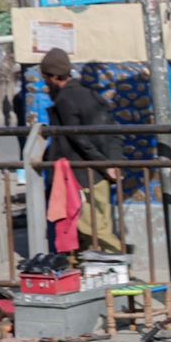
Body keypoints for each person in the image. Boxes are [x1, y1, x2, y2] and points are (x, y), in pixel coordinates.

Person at [40, 48, 125, 254]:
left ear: (52, 76)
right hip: (99, 175)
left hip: (81, 175)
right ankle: (89, 275)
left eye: (45, 78)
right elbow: (114, 132)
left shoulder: (64, 100)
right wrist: (112, 163)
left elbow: (77, 138)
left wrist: (104, 165)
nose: (45, 83)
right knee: (95, 227)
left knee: (93, 228)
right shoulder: (93, 95)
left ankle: (122, 272)